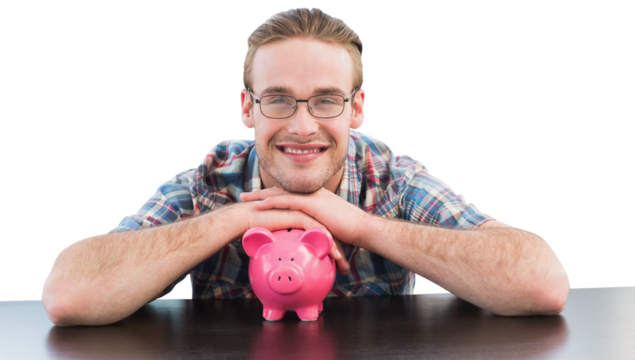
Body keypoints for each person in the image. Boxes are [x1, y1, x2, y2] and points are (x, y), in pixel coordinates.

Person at [42, 6, 570, 326]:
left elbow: (541, 281)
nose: (301, 126)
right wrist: (238, 219)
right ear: (247, 107)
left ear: (356, 108)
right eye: (278, 100)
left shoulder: (393, 178)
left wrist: (360, 226)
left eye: (325, 100)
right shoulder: (210, 181)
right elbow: (68, 293)